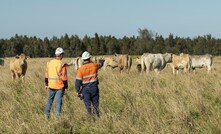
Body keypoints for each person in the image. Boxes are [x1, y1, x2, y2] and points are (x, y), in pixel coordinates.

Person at [75, 51, 105, 118]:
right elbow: (100, 64)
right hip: (94, 88)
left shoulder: (81, 69)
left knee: (88, 106)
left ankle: (90, 118)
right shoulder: (94, 65)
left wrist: (77, 91)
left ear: (83, 59)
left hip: (85, 90)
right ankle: (97, 117)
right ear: (89, 58)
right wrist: (102, 60)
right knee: (96, 105)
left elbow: (78, 82)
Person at [44, 47, 68, 119]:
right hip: (59, 86)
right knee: (58, 103)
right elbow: (64, 77)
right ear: (60, 55)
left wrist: (46, 84)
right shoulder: (62, 64)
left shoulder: (49, 63)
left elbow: (46, 75)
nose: (63, 56)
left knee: (49, 101)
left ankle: (46, 115)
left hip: (51, 85)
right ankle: (57, 117)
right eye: (62, 54)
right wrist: (66, 87)